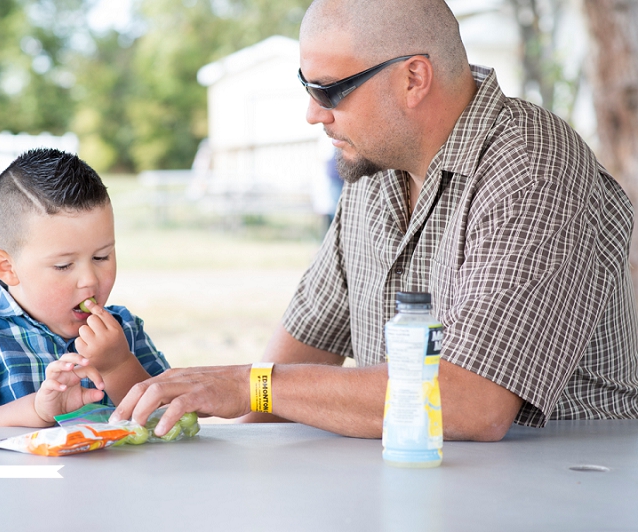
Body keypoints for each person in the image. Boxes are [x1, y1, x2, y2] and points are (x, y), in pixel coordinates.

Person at [110, 0, 638, 441]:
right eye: (305, 86)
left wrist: (253, 384)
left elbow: (472, 402)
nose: (313, 113)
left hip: (566, 487)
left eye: (329, 90)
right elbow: (282, 374)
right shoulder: (374, 174)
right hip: (423, 484)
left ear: (414, 78)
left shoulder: (531, 163)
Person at [0, 148, 169, 428]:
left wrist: (119, 366)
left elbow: (169, 420)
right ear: (7, 268)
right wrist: (37, 411)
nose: (89, 280)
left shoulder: (124, 330)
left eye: (101, 257)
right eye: (63, 265)